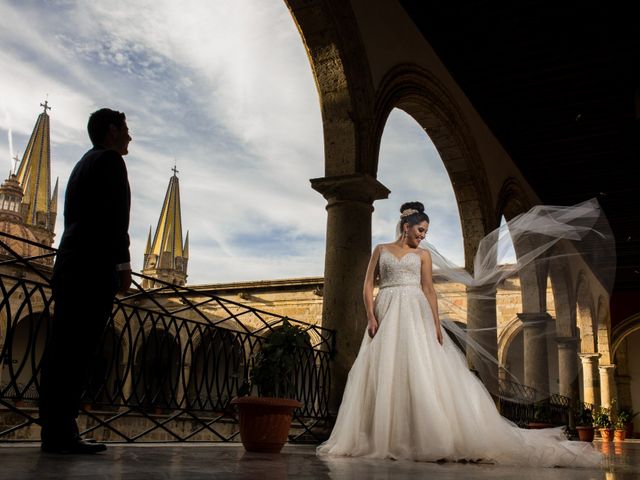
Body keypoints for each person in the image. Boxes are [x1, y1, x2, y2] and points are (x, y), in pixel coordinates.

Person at [316, 201, 603, 467]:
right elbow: (368, 285)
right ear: (406, 227)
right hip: (386, 308)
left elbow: (428, 289)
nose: (423, 236)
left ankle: (418, 435)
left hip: (415, 312)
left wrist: (437, 325)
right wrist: (370, 315)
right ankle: (380, 435)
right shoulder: (380, 249)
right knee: (383, 370)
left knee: (419, 369)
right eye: (420, 230)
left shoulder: (423, 255)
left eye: (426, 232)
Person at [38, 108, 132, 454]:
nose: (129, 137)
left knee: (62, 350)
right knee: (77, 353)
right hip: (93, 270)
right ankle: (64, 433)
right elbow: (115, 222)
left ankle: (54, 430)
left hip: (69, 265)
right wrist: (123, 269)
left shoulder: (83, 164)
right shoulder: (110, 162)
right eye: (125, 129)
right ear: (111, 131)